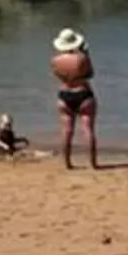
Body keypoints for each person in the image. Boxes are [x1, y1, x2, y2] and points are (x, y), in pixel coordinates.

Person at [50, 29, 100, 172]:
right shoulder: (82, 58)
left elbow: (58, 75)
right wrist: (86, 54)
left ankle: (67, 163)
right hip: (83, 93)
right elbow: (90, 73)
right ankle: (93, 163)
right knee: (88, 130)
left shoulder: (55, 60)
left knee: (66, 131)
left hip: (65, 94)